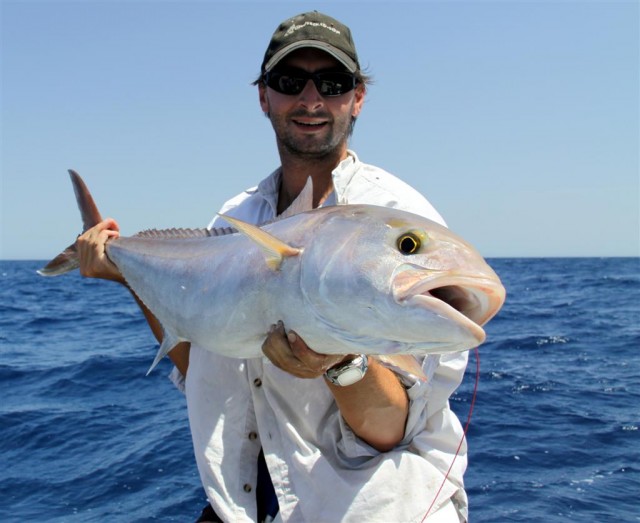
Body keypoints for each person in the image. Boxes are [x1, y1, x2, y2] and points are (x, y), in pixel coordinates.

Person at [77, 11, 469, 523]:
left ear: (358, 97)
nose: (311, 100)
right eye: (290, 82)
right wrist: (127, 274)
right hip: (243, 507)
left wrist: (339, 362)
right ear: (264, 97)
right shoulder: (236, 217)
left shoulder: (398, 223)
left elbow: (392, 427)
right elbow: (202, 361)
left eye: (332, 83)